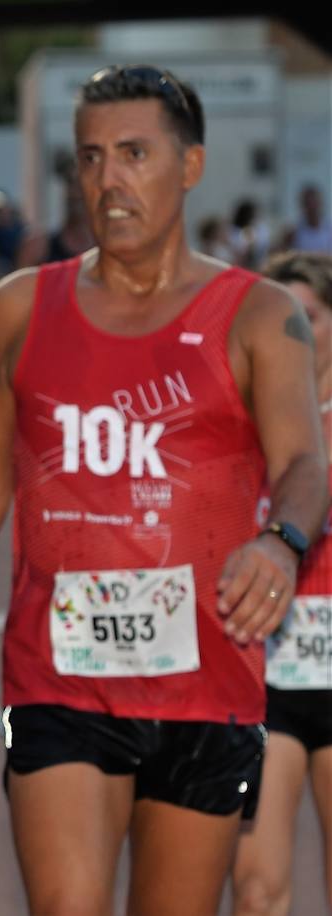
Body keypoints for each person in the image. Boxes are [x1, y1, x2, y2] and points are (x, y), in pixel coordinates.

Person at [0, 64, 328, 916]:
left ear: (191, 165)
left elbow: (303, 464)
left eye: (135, 154)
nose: (109, 180)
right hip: (59, 676)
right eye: (91, 158)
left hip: (208, 679)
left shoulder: (259, 314)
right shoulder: (21, 307)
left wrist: (280, 543)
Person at [232, 252, 332, 915]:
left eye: (313, 316)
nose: (297, 330)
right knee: (258, 888)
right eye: (286, 316)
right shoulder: (242, 416)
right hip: (262, 671)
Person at [285, 184, 332, 256]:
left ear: (320, 204)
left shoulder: (329, 229)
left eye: (314, 203)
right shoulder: (293, 233)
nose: (311, 208)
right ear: (303, 206)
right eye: (308, 204)